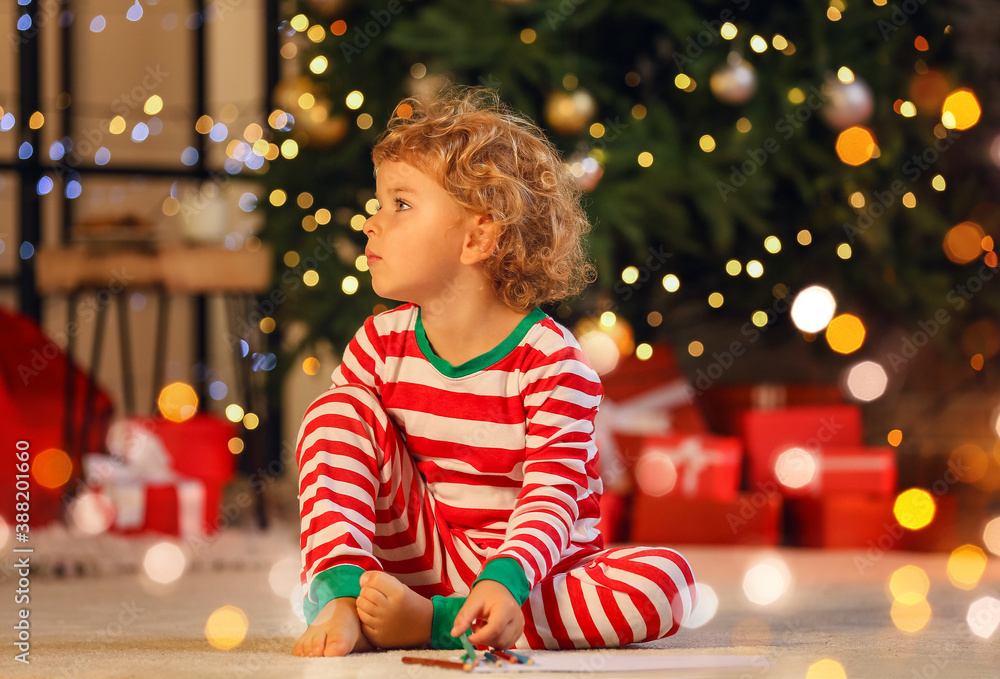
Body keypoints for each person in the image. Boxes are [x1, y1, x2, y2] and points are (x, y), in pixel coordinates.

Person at [292, 86, 696, 657]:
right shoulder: (380, 343)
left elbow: (551, 497)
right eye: (378, 204)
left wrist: (504, 580)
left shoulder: (554, 363)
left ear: (479, 235)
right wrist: (344, 582)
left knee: (664, 583)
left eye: (400, 205)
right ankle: (341, 601)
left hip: (532, 573)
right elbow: (338, 462)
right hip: (424, 555)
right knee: (334, 411)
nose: (372, 223)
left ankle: (439, 622)